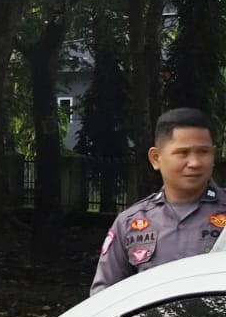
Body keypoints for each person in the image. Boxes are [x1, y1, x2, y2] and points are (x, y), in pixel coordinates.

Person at [91, 108, 225, 294]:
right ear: (156, 158)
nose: (194, 162)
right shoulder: (130, 223)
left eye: (203, 152)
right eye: (183, 153)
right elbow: (104, 296)